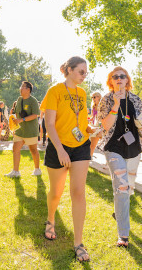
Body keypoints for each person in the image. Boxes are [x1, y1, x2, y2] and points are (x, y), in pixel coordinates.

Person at [41, 56, 92, 262]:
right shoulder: (55, 91)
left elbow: (81, 121)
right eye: (81, 71)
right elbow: (50, 124)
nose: (84, 75)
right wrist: (60, 150)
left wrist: (91, 129)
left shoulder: (82, 93)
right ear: (69, 70)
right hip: (58, 147)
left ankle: (78, 242)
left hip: (81, 146)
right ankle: (51, 219)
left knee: (78, 192)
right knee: (56, 192)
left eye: (86, 72)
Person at [98, 67, 142, 248]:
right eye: (115, 77)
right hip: (113, 147)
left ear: (127, 80)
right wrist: (116, 106)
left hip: (133, 147)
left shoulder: (135, 99)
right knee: (122, 187)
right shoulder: (106, 99)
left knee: (129, 187)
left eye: (122, 76)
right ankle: (123, 235)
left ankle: (120, 211)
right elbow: (105, 125)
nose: (119, 79)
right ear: (110, 81)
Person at [5, 81, 42, 177]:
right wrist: (14, 124)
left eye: (22, 87)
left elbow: (35, 115)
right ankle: (15, 171)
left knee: (33, 150)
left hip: (31, 130)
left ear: (28, 89)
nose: (20, 88)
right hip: (19, 130)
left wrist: (22, 119)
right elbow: (17, 113)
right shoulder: (19, 99)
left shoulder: (33, 101)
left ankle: (37, 169)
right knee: (15, 148)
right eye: (20, 86)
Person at [89, 92, 102, 157]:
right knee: (92, 144)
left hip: (100, 127)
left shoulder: (102, 106)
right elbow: (92, 117)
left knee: (93, 145)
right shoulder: (93, 106)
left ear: (99, 97)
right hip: (94, 127)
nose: (93, 99)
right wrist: (89, 119)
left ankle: (89, 157)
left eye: (94, 97)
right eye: (92, 97)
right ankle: (89, 157)